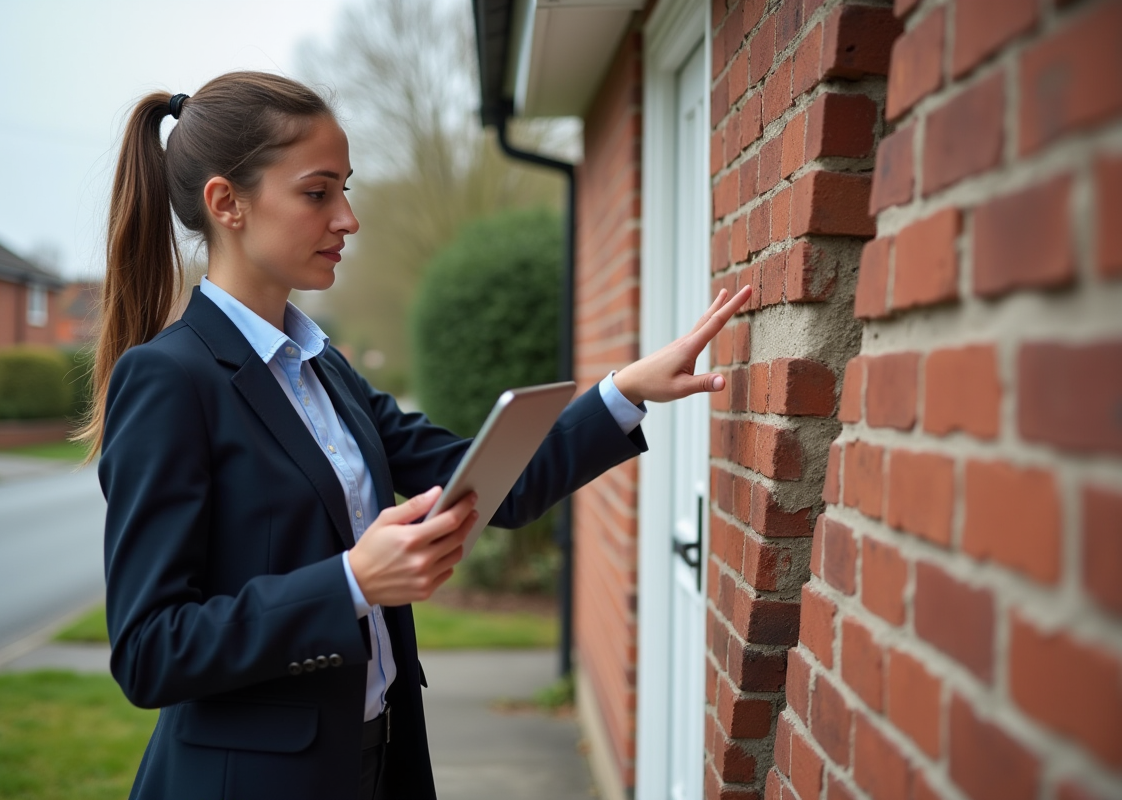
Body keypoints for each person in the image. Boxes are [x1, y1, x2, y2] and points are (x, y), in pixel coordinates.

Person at [84, 71, 751, 800]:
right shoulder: (169, 380)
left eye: (347, 188)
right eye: (318, 192)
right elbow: (151, 650)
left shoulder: (325, 370)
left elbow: (498, 484)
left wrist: (624, 392)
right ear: (226, 203)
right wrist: (350, 583)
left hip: (376, 761)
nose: (348, 218)